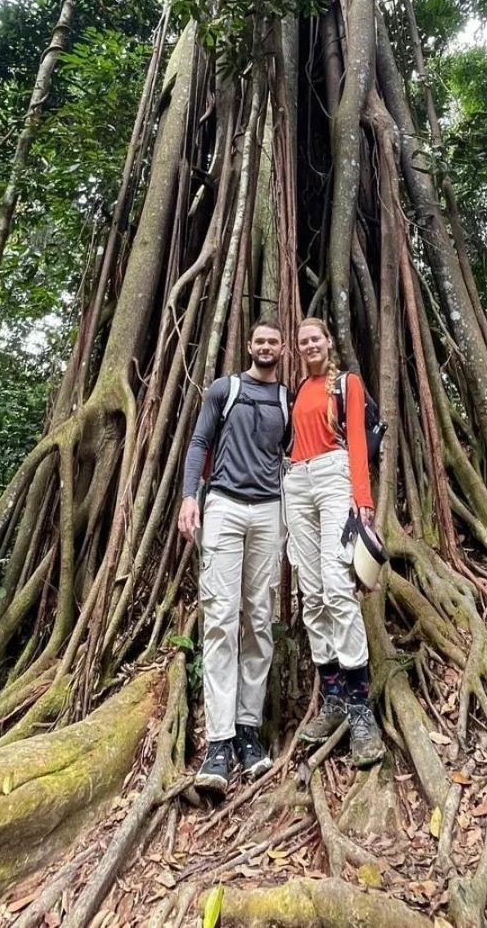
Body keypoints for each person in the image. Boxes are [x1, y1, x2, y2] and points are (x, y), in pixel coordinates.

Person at [178, 318, 289, 795]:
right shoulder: (225, 388)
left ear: (282, 348)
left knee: (259, 619)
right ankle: (218, 741)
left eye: (272, 341)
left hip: (269, 512)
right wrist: (189, 497)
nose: (265, 347)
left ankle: (248, 731)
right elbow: (200, 441)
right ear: (250, 346)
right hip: (222, 504)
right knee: (221, 618)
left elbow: (295, 454)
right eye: (259, 341)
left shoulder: (287, 397)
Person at [284, 317, 385, 768]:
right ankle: (333, 699)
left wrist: (363, 500)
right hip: (297, 482)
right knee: (311, 593)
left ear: (328, 343)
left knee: (337, 589)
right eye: (303, 341)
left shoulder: (346, 384)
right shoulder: (295, 391)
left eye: (315, 339)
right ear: (298, 348)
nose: (309, 346)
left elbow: (359, 446)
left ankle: (362, 709)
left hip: (333, 475)